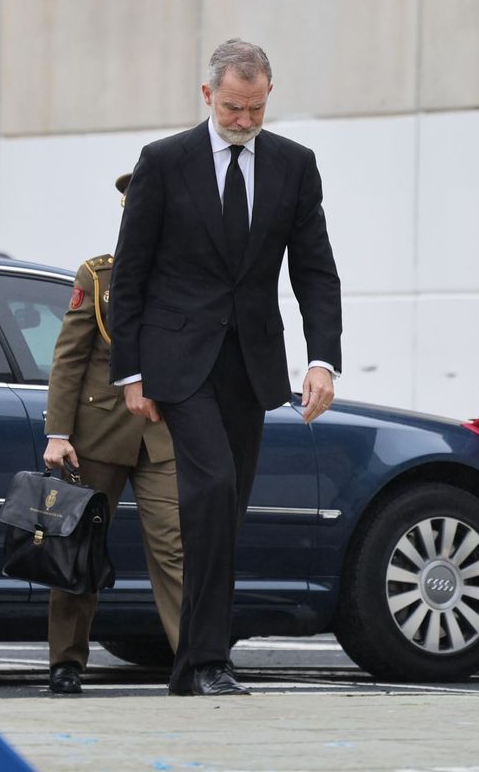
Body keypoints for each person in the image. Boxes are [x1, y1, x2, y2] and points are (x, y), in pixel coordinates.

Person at [109, 38, 342, 696]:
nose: (243, 121)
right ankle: (208, 660)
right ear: (209, 95)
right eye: (233, 108)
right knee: (208, 491)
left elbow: (315, 271)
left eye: (256, 110)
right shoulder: (164, 162)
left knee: (226, 510)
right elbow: (131, 275)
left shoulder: (295, 167)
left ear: (268, 96)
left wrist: (322, 358)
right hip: (176, 362)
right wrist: (131, 372)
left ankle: (194, 665)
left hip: (250, 362)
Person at [44, 172, 183, 695]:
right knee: (80, 547)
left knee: (175, 548)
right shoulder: (99, 276)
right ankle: (66, 662)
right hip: (97, 432)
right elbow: (69, 360)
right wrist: (58, 432)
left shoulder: (185, 276)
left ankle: (193, 658)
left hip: (161, 433)